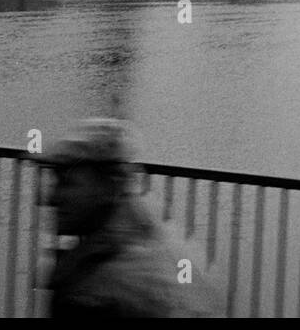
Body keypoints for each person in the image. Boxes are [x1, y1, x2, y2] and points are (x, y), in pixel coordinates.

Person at [34, 118, 222, 317]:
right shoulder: (167, 250)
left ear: (110, 186)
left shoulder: (96, 291)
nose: (49, 198)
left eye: (66, 183)